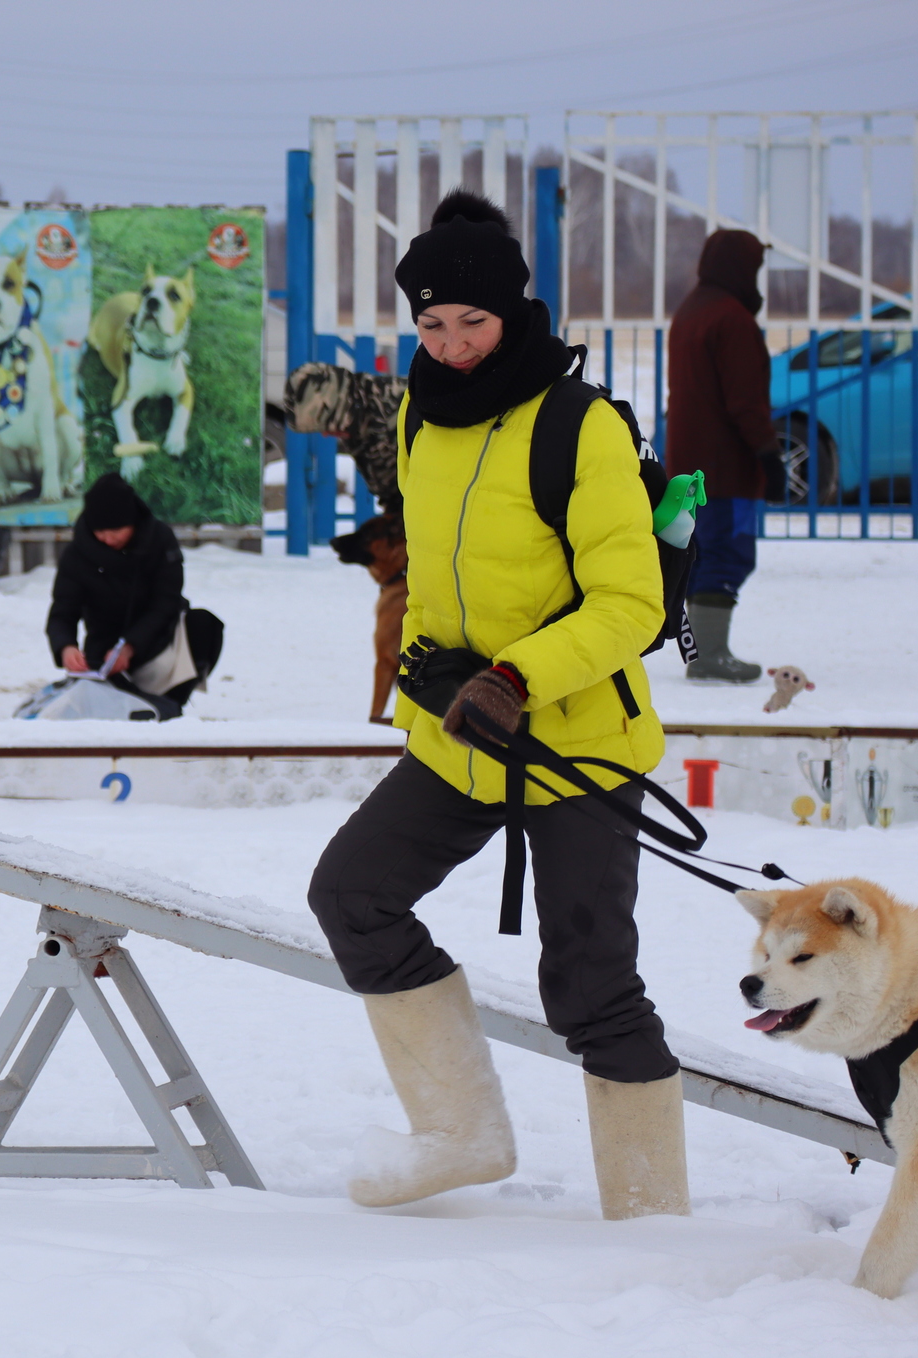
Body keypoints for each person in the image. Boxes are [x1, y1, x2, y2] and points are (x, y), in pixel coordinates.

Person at [305, 191, 688, 1221]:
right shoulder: (421, 419)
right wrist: (427, 667)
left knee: (590, 983)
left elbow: (627, 602)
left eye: (470, 322)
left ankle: (650, 1217)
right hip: (461, 736)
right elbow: (428, 575)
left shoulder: (579, 424)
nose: (453, 343)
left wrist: (515, 674)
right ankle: (460, 1131)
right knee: (351, 893)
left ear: (512, 312)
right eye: (431, 325)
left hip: (575, 742)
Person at [666, 229, 786, 683]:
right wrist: (769, 457)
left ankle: (702, 651)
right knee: (726, 553)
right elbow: (745, 402)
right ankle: (710, 655)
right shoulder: (730, 319)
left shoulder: (691, 311)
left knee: (700, 554)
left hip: (691, 465)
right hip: (726, 467)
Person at [46, 474, 223, 709]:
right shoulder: (77, 554)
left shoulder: (159, 539)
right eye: (100, 532)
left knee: (204, 625)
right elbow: (62, 610)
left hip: (158, 640)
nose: (108, 539)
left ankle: (171, 703)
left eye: (116, 530)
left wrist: (130, 646)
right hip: (104, 653)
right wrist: (66, 646)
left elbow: (166, 601)